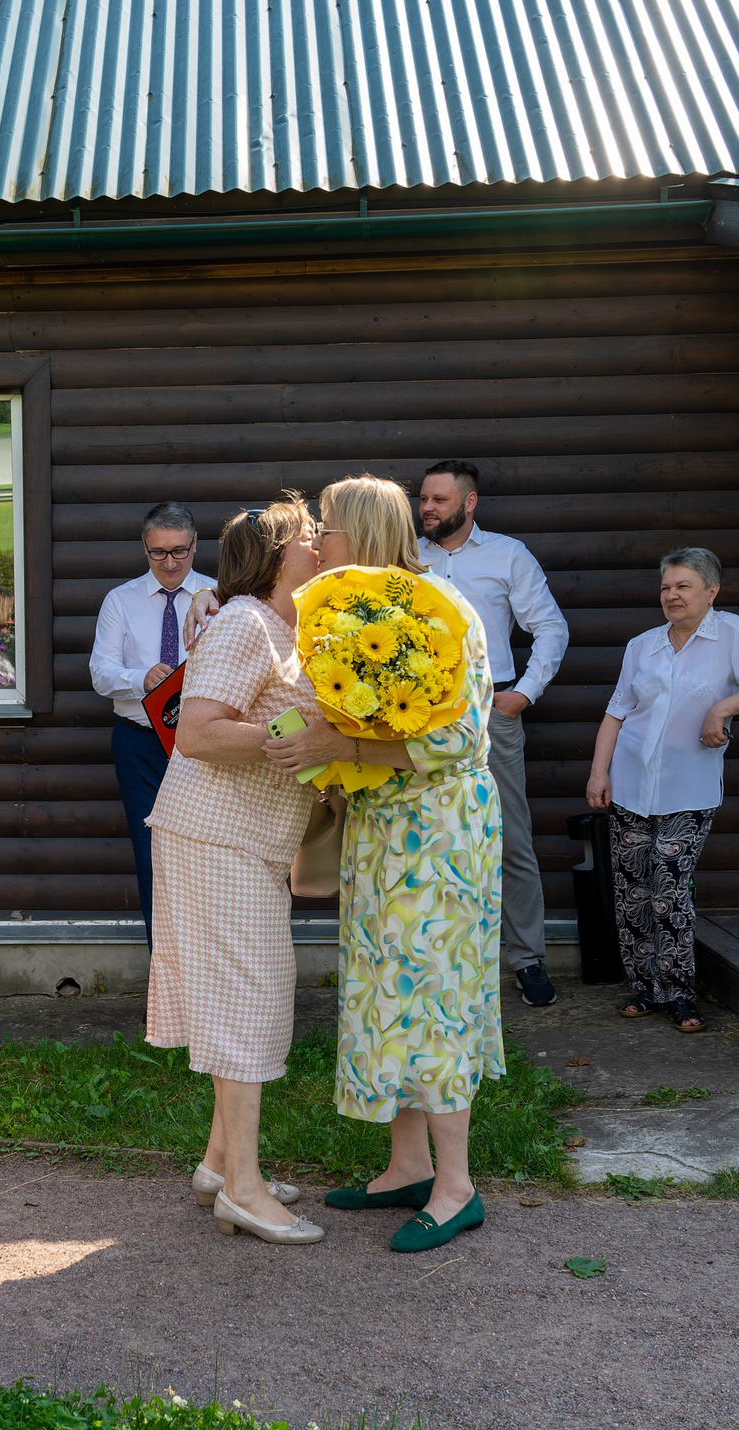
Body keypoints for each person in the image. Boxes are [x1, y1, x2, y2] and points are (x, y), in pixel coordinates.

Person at [263, 474, 505, 1254]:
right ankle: (406, 1165)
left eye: (326, 525)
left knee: (434, 990)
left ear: (361, 533)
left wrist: (346, 746)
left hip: (439, 833)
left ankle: (456, 1183)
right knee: (389, 989)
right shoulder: (357, 612)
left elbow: (460, 739)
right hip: (382, 828)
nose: (315, 539)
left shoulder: (443, 612)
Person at [146, 499, 327, 1245]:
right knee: (247, 999)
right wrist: (301, 737)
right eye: (311, 537)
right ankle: (245, 1191)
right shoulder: (246, 620)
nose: (322, 545)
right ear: (280, 553)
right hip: (213, 835)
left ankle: (221, 1165)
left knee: (246, 994)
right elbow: (196, 729)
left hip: (243, 838)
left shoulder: (286, 627)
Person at [586, 549, 739, 1032]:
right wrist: (599, 772)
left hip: (689, 791)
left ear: (711, 592)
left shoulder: (733, 633)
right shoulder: (643, 645)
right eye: (666, 588)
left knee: (668, 891)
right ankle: (646, 988)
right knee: (632, 891)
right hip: (631, 787)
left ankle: (680, 993)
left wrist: (720, 710)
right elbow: (617, 712)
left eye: (683, 586)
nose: (672, 596)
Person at [417, 460, 569, 1009]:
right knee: (429, 835)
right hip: (421, 715)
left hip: (491, 712)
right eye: (424, 499)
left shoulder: (508, 554)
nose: (428, 507)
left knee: (509, 836)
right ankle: (440, 957)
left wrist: (523, 694)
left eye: (438, 499)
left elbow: (549, 626)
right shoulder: (408, 558)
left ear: (469, 502)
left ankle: (527, 958)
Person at [90, 501, 216, 944]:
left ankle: (205, 974)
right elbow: (100, 674)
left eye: (179, 552)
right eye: (158, 553)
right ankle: (164, 982)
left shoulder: (219, 598)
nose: (169, 563)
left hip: (203, 744)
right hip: (139, 743)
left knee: (205, 856)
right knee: (151, 859)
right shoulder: (120, 601)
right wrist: (138, 678)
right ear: (144, 548)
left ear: (196, 544)